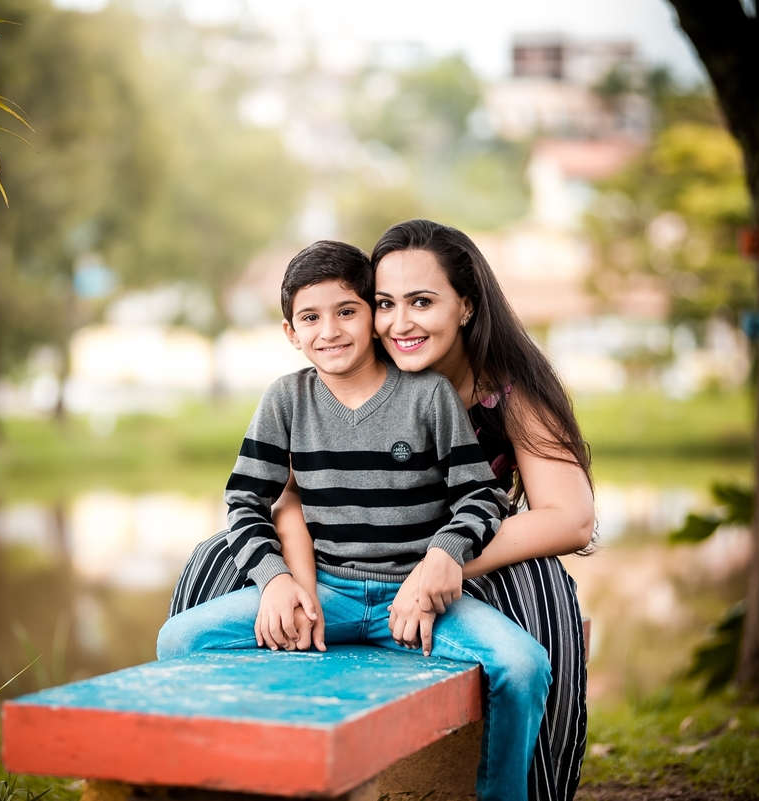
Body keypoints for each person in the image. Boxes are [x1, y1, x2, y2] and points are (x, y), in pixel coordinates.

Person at [168, 221, 594, 801]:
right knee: (209, 571)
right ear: (293, 331)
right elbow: (279, 496)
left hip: (470, 560)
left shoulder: (490, 392)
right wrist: (288, 581)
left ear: (466, 305)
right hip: (333, 568)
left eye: (421, 302)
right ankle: (233, 775)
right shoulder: (301, 395)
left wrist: (440, 561)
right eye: (385, 303)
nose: (399, 323)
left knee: (527, 643)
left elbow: (561, 516)